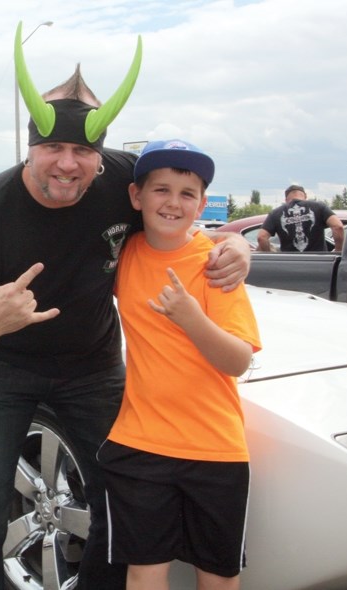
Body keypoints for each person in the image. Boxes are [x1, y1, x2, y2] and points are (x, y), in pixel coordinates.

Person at [0, 24, 251, 590]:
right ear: (28, 147)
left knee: (119, 504)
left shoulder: (126, 180)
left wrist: (239, 243)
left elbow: (181, 219)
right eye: (53, 147)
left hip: (92, 367)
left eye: (82, 149)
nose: (67, 163)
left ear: (100, 152)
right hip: (2, 370)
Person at [98, 140, 261, 590]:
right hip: (139, 445)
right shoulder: (124, 254)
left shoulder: (216, 266)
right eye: (161, 190)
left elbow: (239, 360)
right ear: (136, 197)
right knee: (144, 571)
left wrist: (191, 318)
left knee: (219, 575)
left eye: (187, 194)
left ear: (202, 204)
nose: (173, 202)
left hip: (215, 450)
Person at [257, 184, 344, 252]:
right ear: (305, 196)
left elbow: (261, 237)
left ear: (286, 199)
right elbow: (338, 226)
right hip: (319, 263)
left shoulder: (275, 213)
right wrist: (338, 250)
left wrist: (269, 256)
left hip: (288, 265)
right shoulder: (319, 207)